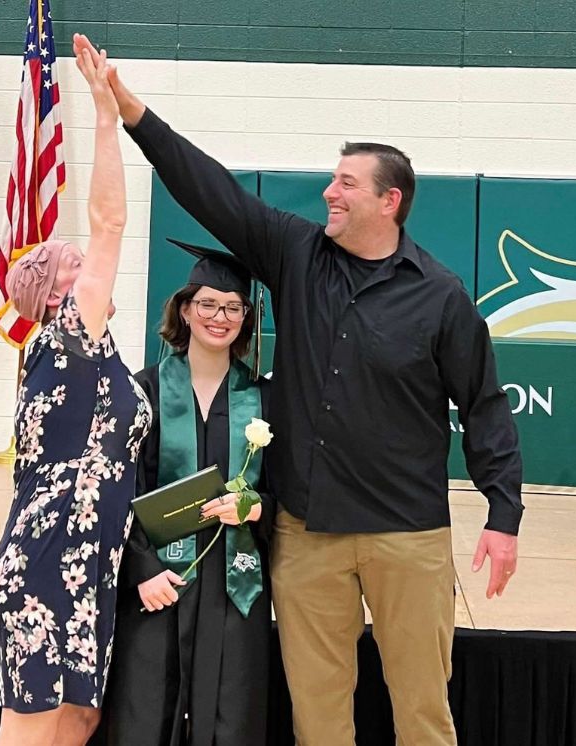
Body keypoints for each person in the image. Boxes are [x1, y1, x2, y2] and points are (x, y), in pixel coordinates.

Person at [75, 34, 524, 745]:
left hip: (407, 538)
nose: (328, 192)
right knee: (318, 719)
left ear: (390, 199)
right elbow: (210, 189)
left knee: (423, 715)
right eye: (332, 180)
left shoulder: (441, 297)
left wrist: (504, 513)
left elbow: (485, 405)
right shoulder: (296, 252)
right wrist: (131, 111)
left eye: (346, 183)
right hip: (306, 537)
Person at [0, 40, 153, 746]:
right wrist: (106, 116)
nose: (95, 272)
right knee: (30, 733)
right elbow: (110, 221)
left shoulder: (93, 353)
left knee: (78, 722)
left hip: (92, 559)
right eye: (79, 269)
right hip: (49, 555)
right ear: (58, 291)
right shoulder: (67, 337)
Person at [105, 239, 274, 746]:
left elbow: (288, 489)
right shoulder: (145, 391)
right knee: (145, 711)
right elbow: (116, 493)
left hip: (234, 583)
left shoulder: (266, 398)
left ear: (245, 317)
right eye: (207, 303)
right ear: (184, 308)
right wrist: (142, 569)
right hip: (158, 582)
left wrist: (257, 505)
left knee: (232, 717)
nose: (219, 317)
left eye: (232, 307)